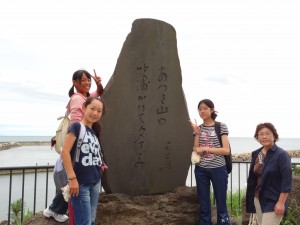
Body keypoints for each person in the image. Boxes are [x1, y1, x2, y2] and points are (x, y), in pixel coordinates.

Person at [43, 69, 103, 222]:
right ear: (75, 83)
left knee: (69, 184)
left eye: (88, 80)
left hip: (91, 176)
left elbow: (98, 95)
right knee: (71, 182)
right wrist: (77, 133)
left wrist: (98, 83)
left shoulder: (87, 98)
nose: (87, 82)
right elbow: (77, 120)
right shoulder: (78, 98)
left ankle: (54, 209)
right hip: (78, 145)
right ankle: (54, 209)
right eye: (83, 80)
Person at [61, 97, 105, 225]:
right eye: (92, 109)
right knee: (84, 222)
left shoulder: (94, 132)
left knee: (91, 220)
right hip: (80, 185)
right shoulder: (76, 127)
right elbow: (65, 152)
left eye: (99, 111)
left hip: (95, 182)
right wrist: (72, 178)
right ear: (84, 108)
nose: (95, 113)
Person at [189, 99, 231, 225]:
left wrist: (206, 148)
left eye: (205, 108)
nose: (202, 111)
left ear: (212, 110)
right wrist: (197, 134)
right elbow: (196, 149)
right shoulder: (198, 128)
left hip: (218, 169)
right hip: (201, 170)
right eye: (200, 109)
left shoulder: (220, 126)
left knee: (221, 203)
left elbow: (226, 150)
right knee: (204, 204)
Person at [246, 122, 292, 225]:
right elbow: (253, 178)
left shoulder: (282, 155)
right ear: (257, 137)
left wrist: (281, 203)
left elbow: (286, 181)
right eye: (261, 134)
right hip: (258, 199)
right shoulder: (256, 154)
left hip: (274, 200)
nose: (264, 136)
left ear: (274, 136)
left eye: (267, 133)